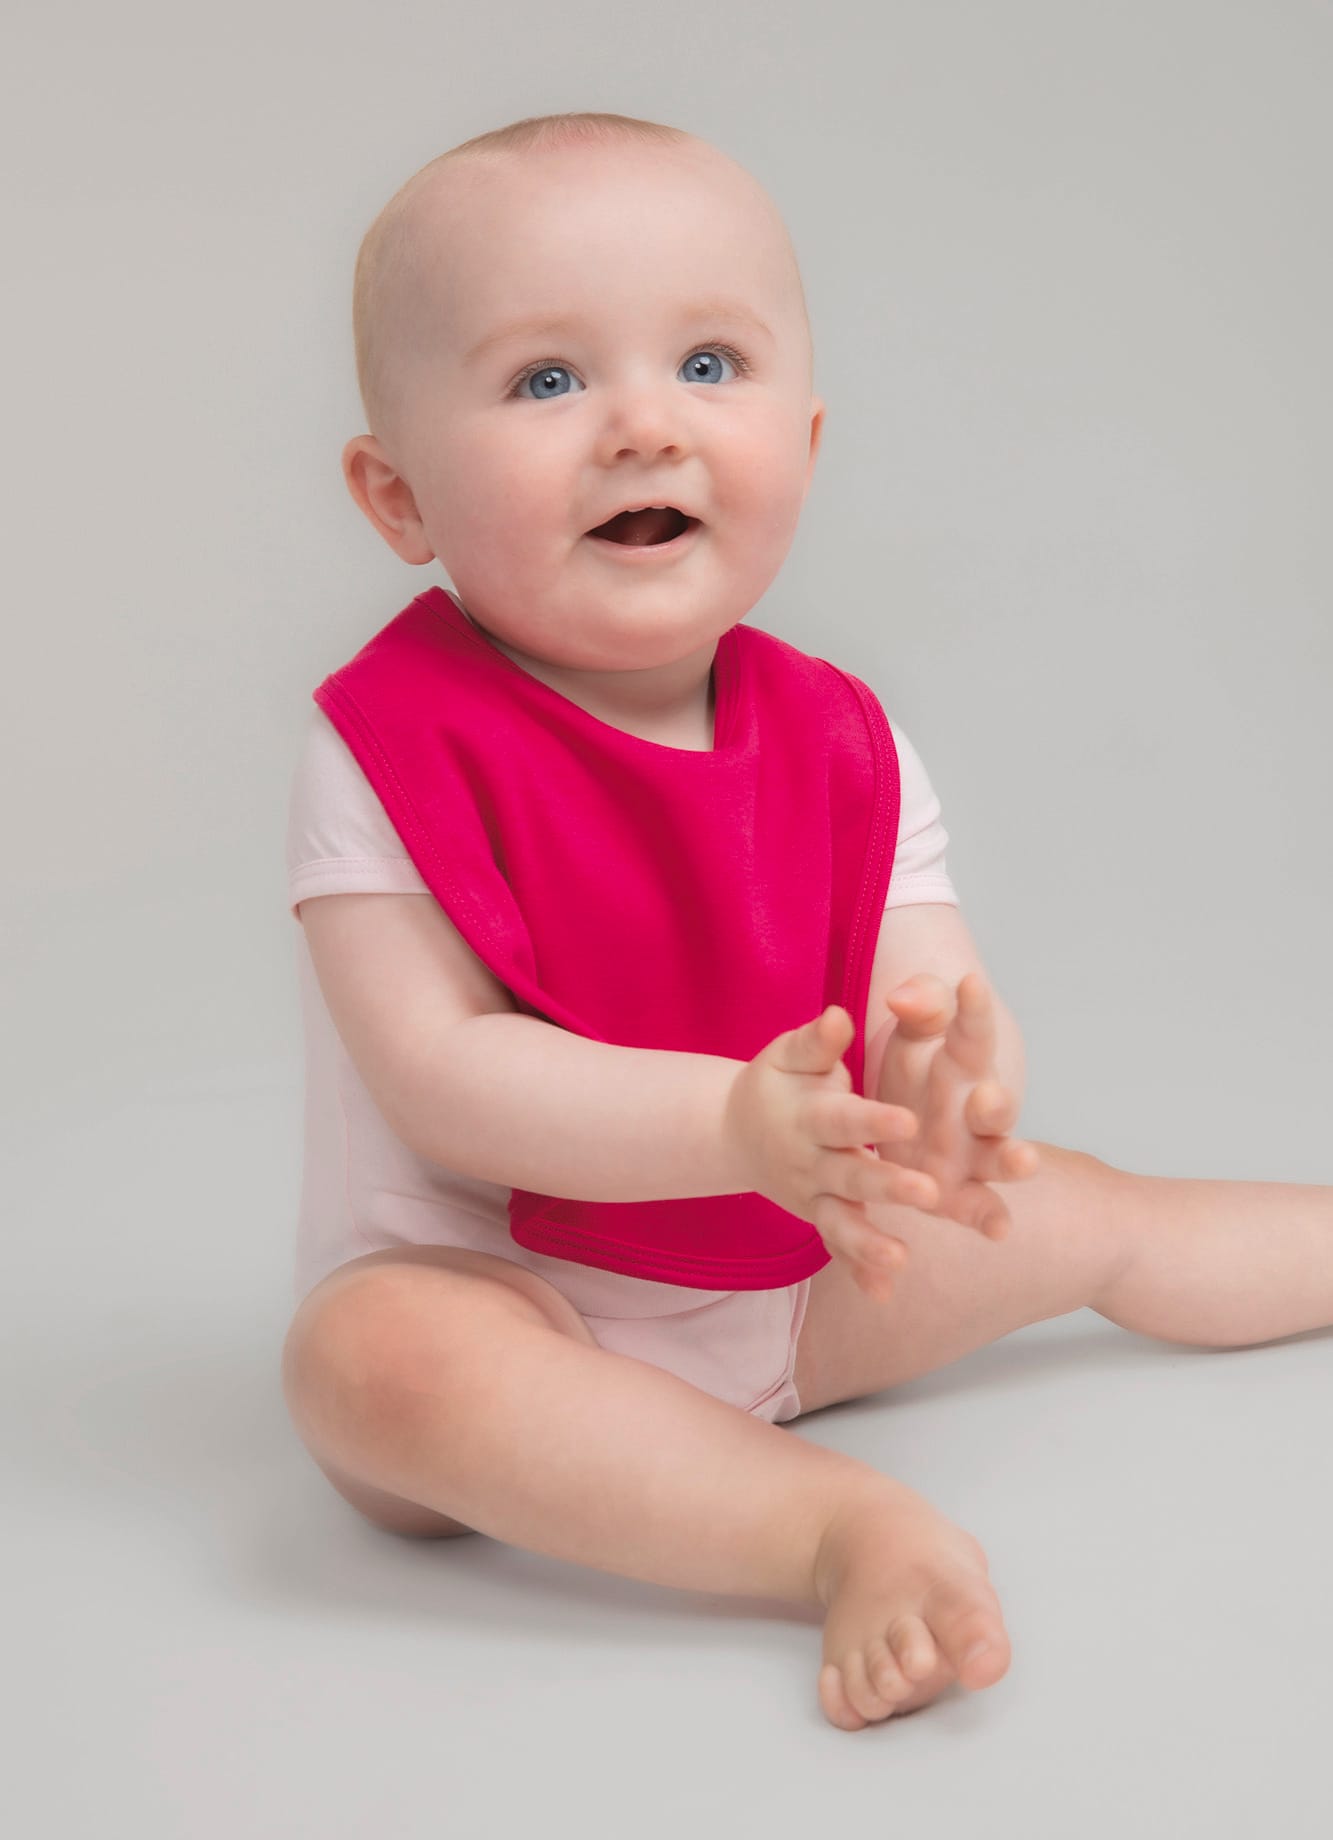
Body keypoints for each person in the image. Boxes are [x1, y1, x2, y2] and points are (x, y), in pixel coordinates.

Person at [281, 110, 1333, 1733]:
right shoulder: (385, 741)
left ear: (809, 439)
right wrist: (727, 1122)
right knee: (369, 1364)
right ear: (395, 492)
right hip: (515, 1306)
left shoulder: (842, 737)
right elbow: (440, 1077)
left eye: (708, 364)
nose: (644, 427)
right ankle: (834, 1531)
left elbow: (926, 987)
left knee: (1082, 1208)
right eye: (546, 380)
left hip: (806, 1277)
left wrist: (951, 1081)